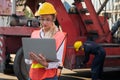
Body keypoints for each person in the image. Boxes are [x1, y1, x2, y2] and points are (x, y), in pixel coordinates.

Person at [28, 2, 67, 80]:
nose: (44, 22)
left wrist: (45, 64)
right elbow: (28, 60)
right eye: (42, 19)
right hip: (34, 75)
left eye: (48, 19)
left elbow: (58, 61)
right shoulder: (34, 34)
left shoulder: (59, 36)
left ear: (54, 19)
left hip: (49, 76)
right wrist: (29, 58)